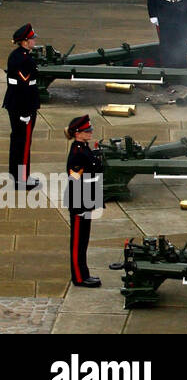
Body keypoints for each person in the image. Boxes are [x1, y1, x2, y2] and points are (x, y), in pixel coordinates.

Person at [65, 115, 104, 288]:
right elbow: (75, 179)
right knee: (77, 243)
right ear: (78, 133)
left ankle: (84, 273)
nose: (90, 132)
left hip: (86, 200)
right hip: (80, 201)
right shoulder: (76, 153)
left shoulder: (84, 148)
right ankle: (79, 277)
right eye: (87, 130)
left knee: (84, 241)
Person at [4, 24, 41, 190]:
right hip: (23, 105)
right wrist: (26, 112)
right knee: (24, 142)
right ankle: (22, 179)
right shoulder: (23, 59)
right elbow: (23, 86)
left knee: (17, 140)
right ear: (25, 42)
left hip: (16, 103)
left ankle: (16, 175)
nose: (34, 41)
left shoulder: (18, 55)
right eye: (32, 38)